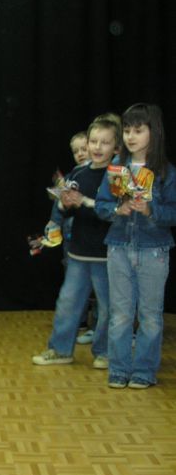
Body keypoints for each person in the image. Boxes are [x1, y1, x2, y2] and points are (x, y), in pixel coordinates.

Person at [95, 103, 176, 389]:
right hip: (118, 247)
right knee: (120, 314)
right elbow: (102, 204)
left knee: (151, 316)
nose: (130, 136)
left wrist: (150, 209)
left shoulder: (166, 172)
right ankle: (118, 369)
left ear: (153, 133)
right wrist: (118, 210)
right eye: (127, 130)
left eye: (138, 130)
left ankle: (143, 371)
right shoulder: (116, 169)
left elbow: (173, 213)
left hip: (154, 250)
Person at [32, 116, 121, 368]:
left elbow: (116, 212)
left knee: (108, 307)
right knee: (68, 302)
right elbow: (65, 207)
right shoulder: (78, 172)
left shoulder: (118, 175)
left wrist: (85, 202)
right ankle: (60, 349)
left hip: (107, 254)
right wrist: (64, 204)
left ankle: (104, 351)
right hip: (79, 253)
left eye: (105, 142)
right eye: (93, 141)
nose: (97, 147)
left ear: (116, 148)